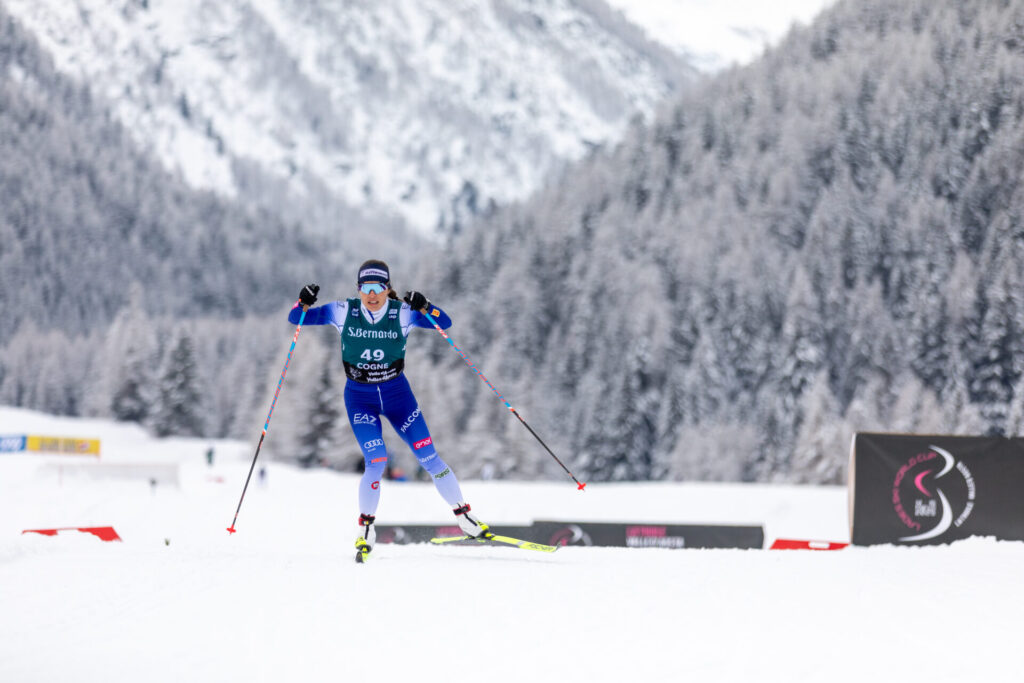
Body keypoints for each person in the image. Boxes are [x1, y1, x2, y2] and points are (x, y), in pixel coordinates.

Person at [289, 259, 488, 562]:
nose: (372, 294)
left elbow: (443, 323)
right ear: (359, 290)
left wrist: (426, 306)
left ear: (387, 288)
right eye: (366, 288)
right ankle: (366, 529)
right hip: (360, 399)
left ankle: (464, 517)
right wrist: (303, 302)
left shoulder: (402, 313)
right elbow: (297, 318)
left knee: (429, 457)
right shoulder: (344, 311)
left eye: (378, 287)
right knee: (376, 460)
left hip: (398, 398)